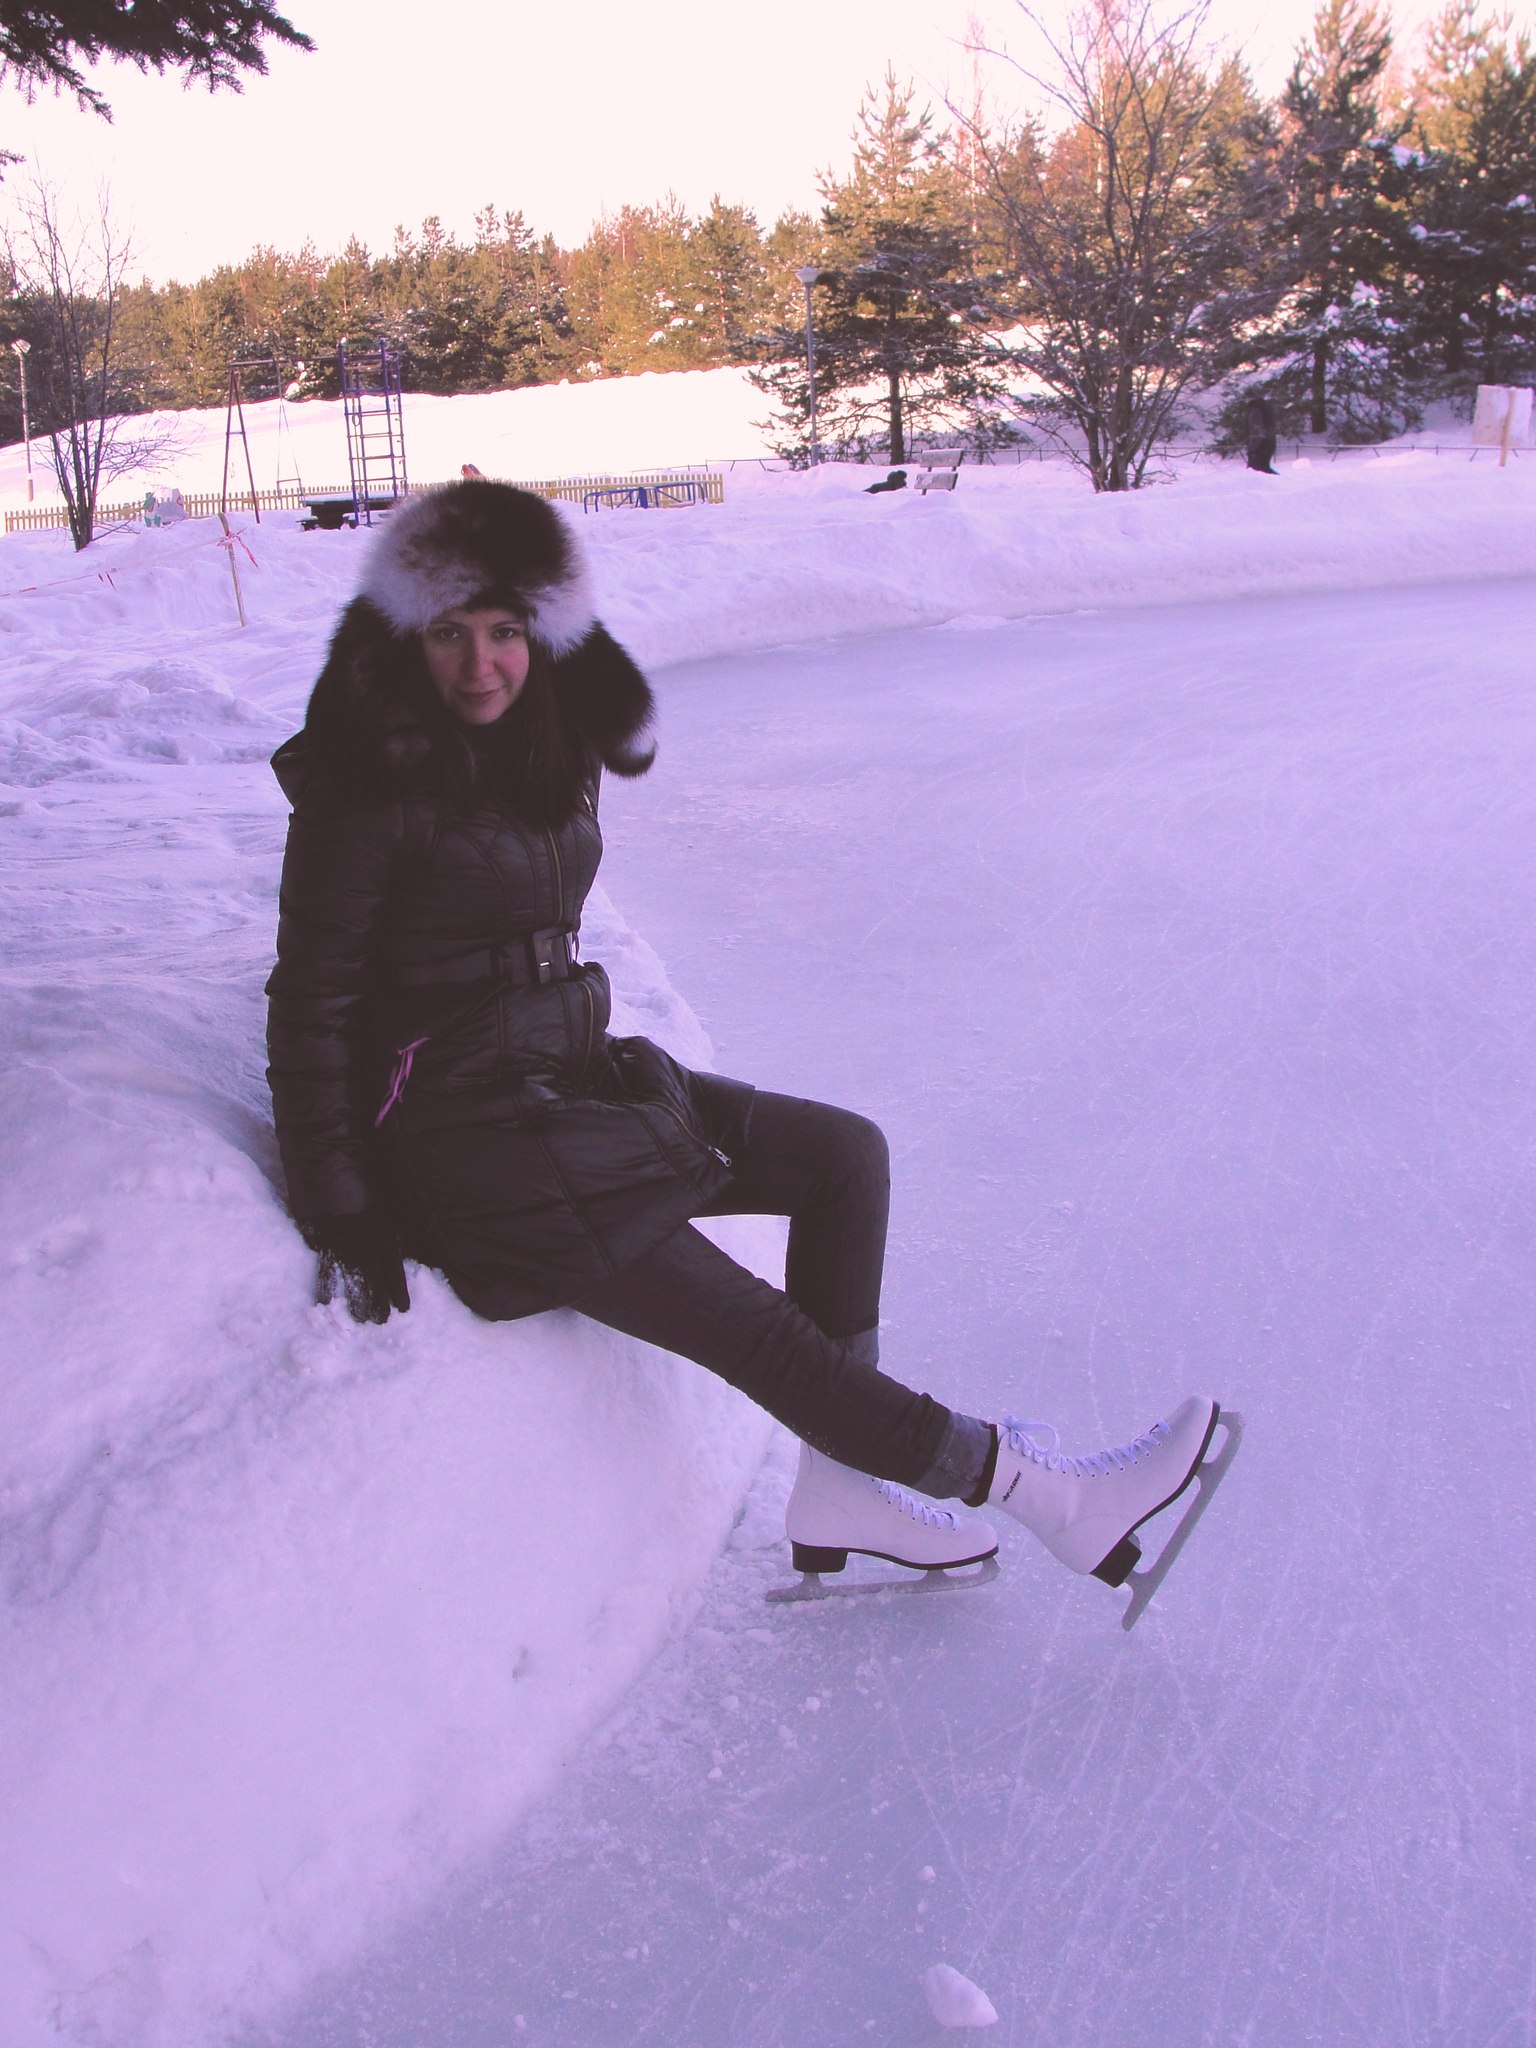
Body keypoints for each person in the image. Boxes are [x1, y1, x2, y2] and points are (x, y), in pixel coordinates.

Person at [266, 481, 1218, 1589]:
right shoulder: (365, 787)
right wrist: (340, 1201)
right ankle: (1047, 1496)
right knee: (764, 1334)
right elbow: (312, 1000)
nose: (481, 664)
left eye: (505, 631)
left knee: (841, 1155)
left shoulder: (541, 743)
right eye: (448, 633)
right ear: (402, 636)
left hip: (561, 1081)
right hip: (470, 1148)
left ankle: (844, 1484)